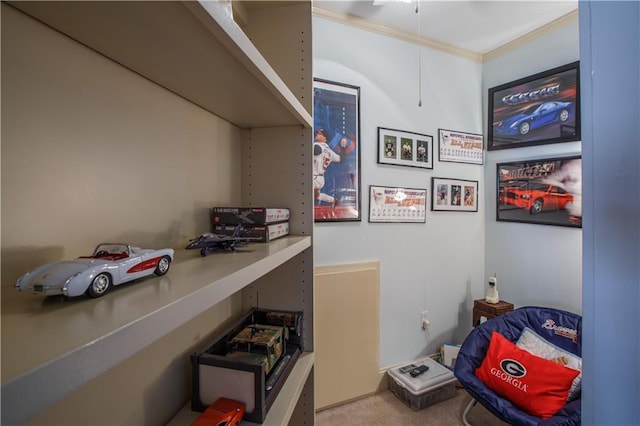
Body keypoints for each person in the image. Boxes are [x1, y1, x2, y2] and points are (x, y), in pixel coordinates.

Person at [313, 129, 342, 208]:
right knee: (316, 196)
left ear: (324, 138)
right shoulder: (330, 152)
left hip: (314, 178)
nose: (317, 135)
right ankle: (333, 200)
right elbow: (339, 159)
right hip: (320, 179)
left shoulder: (316, 145)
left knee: (302, 191)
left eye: (320, 134)